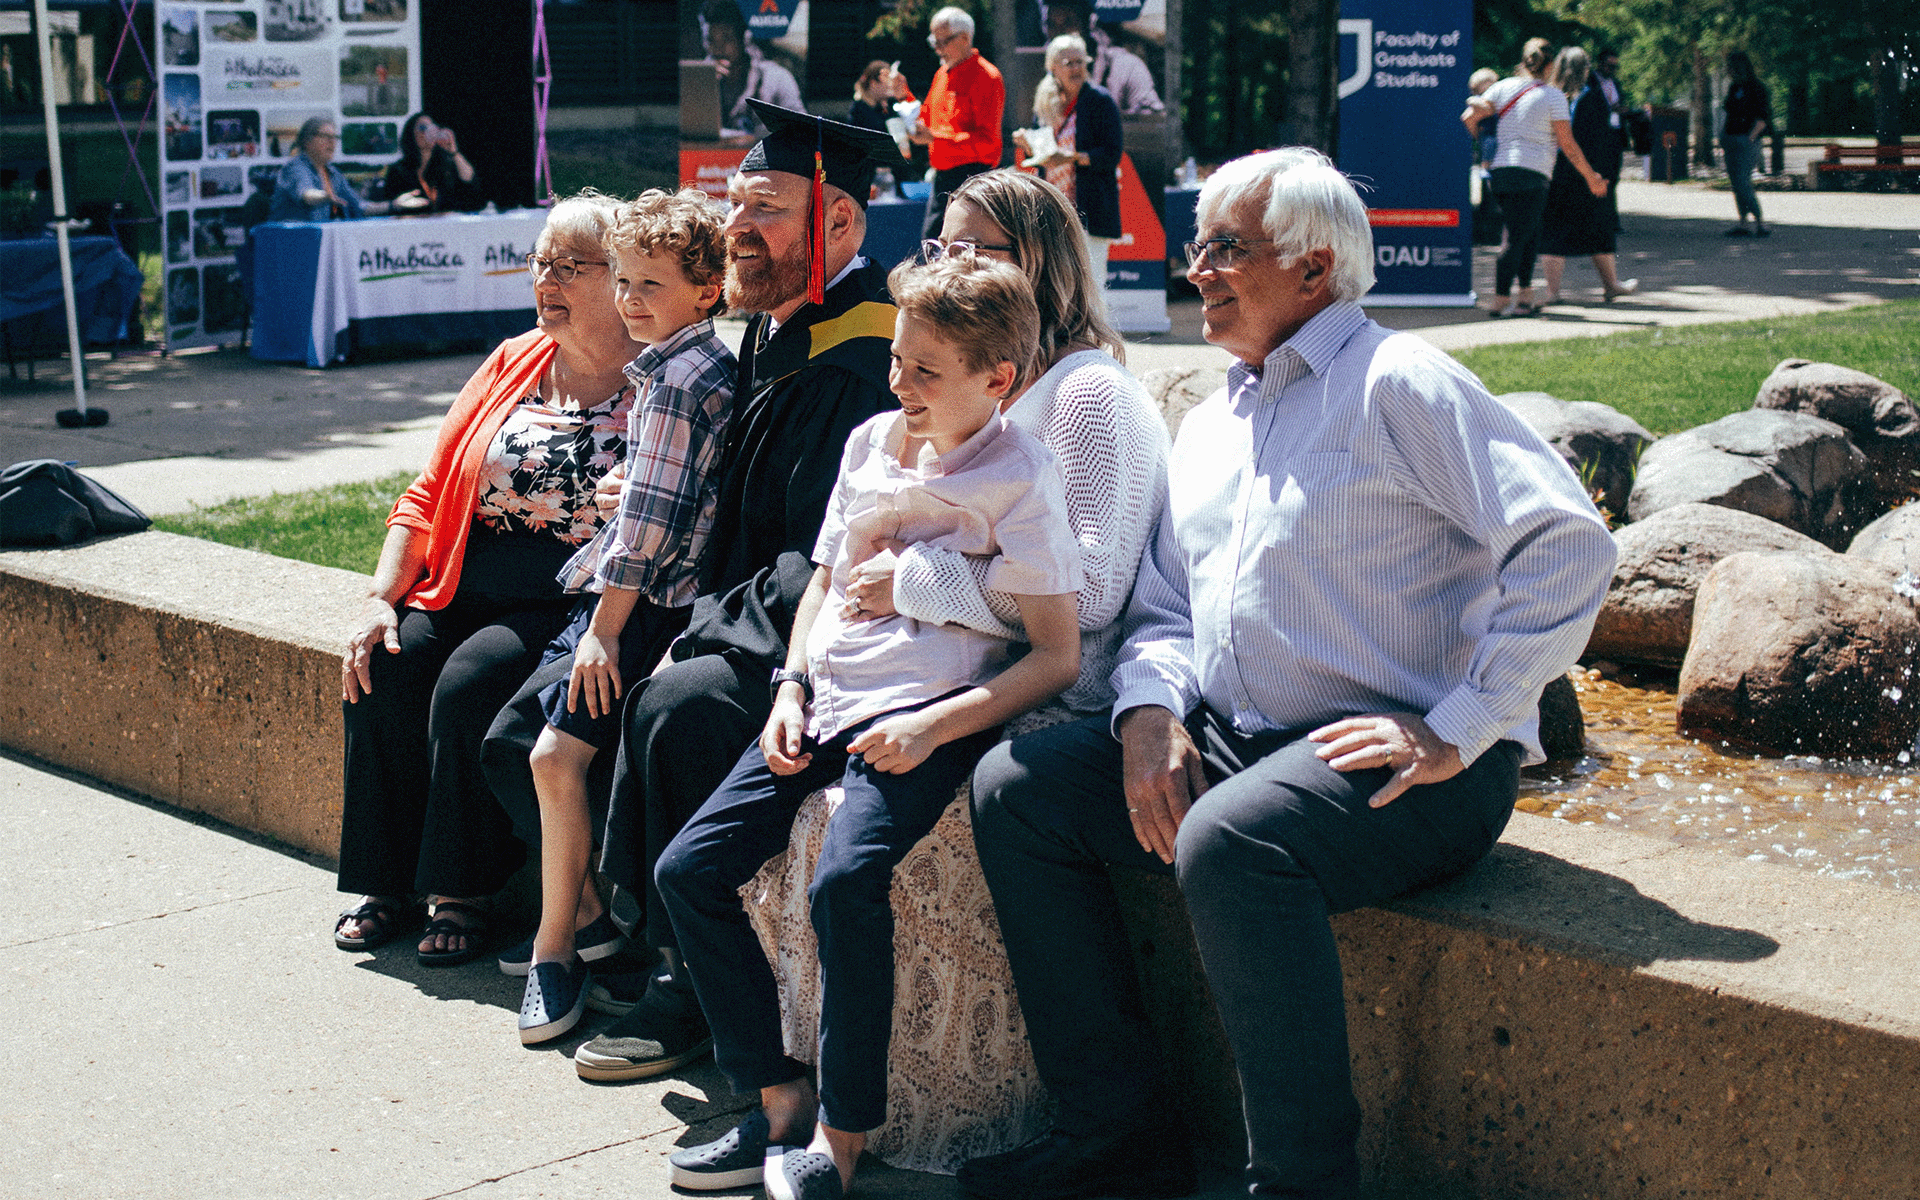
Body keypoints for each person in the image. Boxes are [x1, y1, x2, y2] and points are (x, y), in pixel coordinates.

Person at [958, 147, 1616, 1200]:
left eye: (1226, 248)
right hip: (1241, 739)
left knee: (1231, 842)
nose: (1199, 269)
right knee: (1019, 792)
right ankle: (1115, 1131)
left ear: (1315, 268)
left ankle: (1304, 1182)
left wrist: (1461, 723)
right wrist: (1146, 714)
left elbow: (1569, 543)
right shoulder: (1216, 417)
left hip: (1412, 765)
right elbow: (1170, 604)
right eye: (1198, 246)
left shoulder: (1400, 381)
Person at [479, 101, 899, 1077]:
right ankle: (614, 928)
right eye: (736, 206)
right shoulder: (773, 331)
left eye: (767, 209)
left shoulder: (860, 356)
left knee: (676, 701)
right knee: (539, 719)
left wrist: (702, 628)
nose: (739, 228)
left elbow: (812, 557)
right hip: (736, 600)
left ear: (838, 224)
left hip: (819, 633)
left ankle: (687, 988)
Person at [657, 254, 1083, 1200]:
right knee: (687, 871)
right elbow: (820, 584)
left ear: (997, 379)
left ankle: (840, 1138)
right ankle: (774, 1095)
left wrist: (937, 728)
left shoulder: (1023, 476)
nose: (900, 384)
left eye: (926, 371)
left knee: (847, 883)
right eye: (898, 360)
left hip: (928, 718)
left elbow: (1056, 656)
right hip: (825, 701)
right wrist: (789, 685)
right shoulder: (871, 441)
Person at [332, 193, 644, 964]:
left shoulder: (656, 382)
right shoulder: (515, 359)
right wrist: (380, 595)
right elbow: (428, 491)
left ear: (623, 279)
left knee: (469, 684)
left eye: (572, 266)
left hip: (562, 597)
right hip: (461, 579)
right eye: (542, 262)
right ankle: (386, 881)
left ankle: (462, 893)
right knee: (385, 664)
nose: (548, 279)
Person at [508, 190, 736, 1045]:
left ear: (708, 291)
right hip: (644, 596)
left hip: (641, 607)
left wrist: (605, 630)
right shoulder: (686, 365)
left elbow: (643, 535)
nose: (632, 300)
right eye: (627, 282)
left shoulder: (674, 380)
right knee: (540, 752)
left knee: (552, 758)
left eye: (651, 284)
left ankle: (557, 949)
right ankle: (583, 930)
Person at [1464, 38, 1607, 317]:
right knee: (1518, 237)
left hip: (1501, 173)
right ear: (1551, 64)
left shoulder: (1501, 87)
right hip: (1533, 173)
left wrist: (1486, 144)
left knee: (1529, 233)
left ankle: (1525, 297)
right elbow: (1568, 145)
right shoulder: (1553, 96)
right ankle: (1502, 297)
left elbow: (1469, 117)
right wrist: (1592, 178)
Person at [1012, 35, 1122, 292]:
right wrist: (1029, 144)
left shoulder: (1100, 101)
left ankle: (1095, 333)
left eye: (1080, 61)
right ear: (1052, 67)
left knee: (1092, 287)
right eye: (1068, 62)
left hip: (1089, 212)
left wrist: (1072, 158)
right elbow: (1045, 151)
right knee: (1053, 287)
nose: (1075, 68)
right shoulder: (1045, 101)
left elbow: (1111, 154)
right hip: (1052, 211)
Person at [1539, 47, 1638, 304]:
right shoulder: (1590, 98)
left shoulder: (1549, 95)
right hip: (1586, 171)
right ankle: (1610, 285)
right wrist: (1599, 175)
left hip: (1555, 170)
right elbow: (1595, 140)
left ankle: (1553, 292)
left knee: (1555, 229)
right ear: (1584, 69)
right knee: (1599, 227)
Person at [911, 6, 1005, 239]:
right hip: (942, 176)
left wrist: (935, 137)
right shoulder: (942, 74)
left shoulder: (987, 76)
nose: (938, 49)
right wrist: (903, 94)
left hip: (973, 178)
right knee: (932, 247)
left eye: (943, 41)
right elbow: (926, 117)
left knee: (962, 249)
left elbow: (987, 142)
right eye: (935, 41)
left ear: (964, 38)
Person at [702, 0, 803, 139]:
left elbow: (802, 130)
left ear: (744, 40)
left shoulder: (777, 78)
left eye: (727, 39)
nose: (717, 48)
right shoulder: (701, 80)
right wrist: (704, 86)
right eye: (711, 40)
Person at [271, 118, 371, 222]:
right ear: (307, 141)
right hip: (290, 236)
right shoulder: (295, 168)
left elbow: (359, 206)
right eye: (325, 136)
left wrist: (389, 205)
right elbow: (307, 194)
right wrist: (326, 196)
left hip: (317, 236)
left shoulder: (334, 173)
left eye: (334, 137)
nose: (332, 141)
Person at [385, 113, 481, 215]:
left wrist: (453, 151)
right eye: (422, 127)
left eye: (431, 128)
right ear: (411, 134)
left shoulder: (444, 165)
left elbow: (469, 180)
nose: (427, 132)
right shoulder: (399, 170)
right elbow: (393, 205)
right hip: (414, 226)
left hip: (445, 226)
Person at [1722, 50, 1772, 238]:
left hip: (1747, 140)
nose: (1728, 70)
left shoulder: (1757, 88)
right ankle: (1743, 222)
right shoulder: (1734, 88)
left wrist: (1750, 137)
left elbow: (1763, 117)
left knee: (1743, 181)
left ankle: (1759, 221)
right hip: (1731, 137)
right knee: (1736, 183)